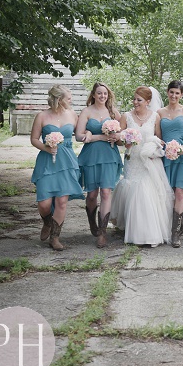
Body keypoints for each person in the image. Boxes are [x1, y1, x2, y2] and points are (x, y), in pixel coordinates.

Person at [111, 86, 173, 247]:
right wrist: (125, 141)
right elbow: (118, 139)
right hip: (132, 159)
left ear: (148, 102)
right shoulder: (126, 116)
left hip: (148, 160)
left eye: (139, 100)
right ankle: (131, 228)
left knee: (145, 192)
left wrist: (154, 149)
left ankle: (147, 234)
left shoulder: (155, 117)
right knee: (132, 189)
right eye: (134, 99)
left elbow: (158, 139)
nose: (135, 102)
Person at [30, 85, 84, 250]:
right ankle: (47, 222)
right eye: (68, 98)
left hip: (67, 162)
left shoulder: (73, 115)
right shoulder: (42, 116)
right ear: (58, 100)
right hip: (47, 161)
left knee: (62, 201)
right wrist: (46, 147)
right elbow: (34, 139)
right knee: (44, 203)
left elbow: (81, 133)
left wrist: (89, 134)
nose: (71, 100)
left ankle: (55, 237)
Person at [75, 82, 123, 248]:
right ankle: (92, 221)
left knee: (106, 193)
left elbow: (122, 136)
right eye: (99, 93)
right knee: (92, 194)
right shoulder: (87, 112)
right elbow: (78, 136)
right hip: (91, 156)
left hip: (109, 156)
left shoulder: (113, 112)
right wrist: (96, 136)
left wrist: (116, 137)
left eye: (105, 93)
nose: (103, 96)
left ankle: (102, 232)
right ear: (93, 95)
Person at [157, 80, 183, 248]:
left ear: (182, 95)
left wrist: (181, 148)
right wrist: (166, 147)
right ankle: (176, 224)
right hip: (167, 156)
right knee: (170, 192)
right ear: (167, 92)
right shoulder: (159, 113)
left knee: (181, 191)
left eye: (177, 93)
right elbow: (158, 136)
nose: (174, 95)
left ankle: (175, 234)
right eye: (171, 92)